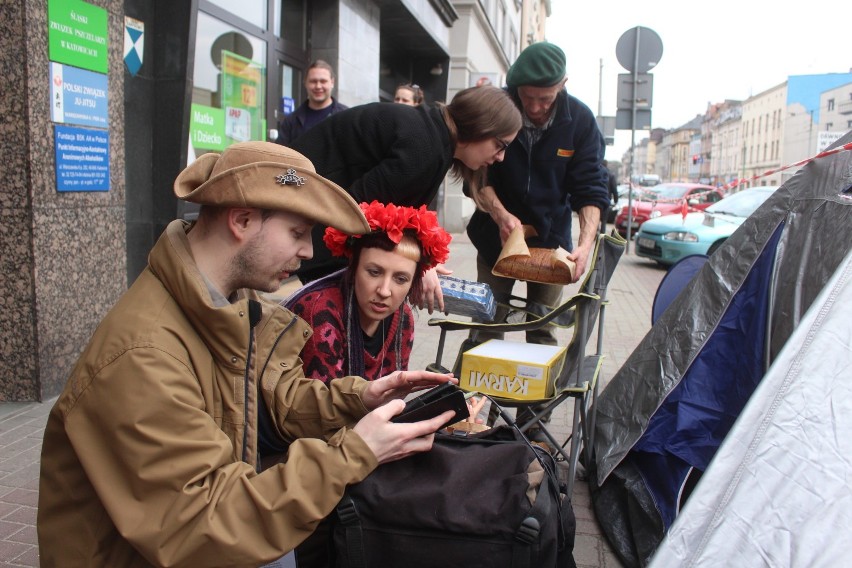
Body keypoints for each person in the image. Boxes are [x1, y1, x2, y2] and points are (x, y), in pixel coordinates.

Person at [36, 141, 457, 567]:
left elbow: (279, 397)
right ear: (241, 220)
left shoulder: (223, 303)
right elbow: (206, 523)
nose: (309, 251)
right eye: (297, 233)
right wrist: (355, 452)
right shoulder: (144, 355)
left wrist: (361, 397)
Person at [289, 84, 523, 312]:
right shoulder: (424, 147)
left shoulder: (432, 135)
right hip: (300, 210)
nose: (501, 157)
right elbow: (358, 212)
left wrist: (421, 259)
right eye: (500, 145)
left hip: (309, 211)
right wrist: (420, 263)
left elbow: (392, 211)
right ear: (479, 126)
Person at [465, 42, 609, 347]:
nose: (533, 107)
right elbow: (476, 172)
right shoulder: (499, 107)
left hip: (551, 241)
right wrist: (501, 215)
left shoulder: (581, 122)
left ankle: (537, 394)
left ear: (563, 85)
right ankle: (477, 393)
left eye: (544, 98)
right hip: (495, 236)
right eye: (526, 96)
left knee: (543, 326)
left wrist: (584, 245)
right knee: (486, 323)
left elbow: (591, 188)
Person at [287, 201, 452, 384]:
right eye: (374, 272)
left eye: (401, 279)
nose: (384, 291)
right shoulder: (320, 311)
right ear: (354, 268)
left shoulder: (403, 318)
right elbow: (322, 405)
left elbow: (393, 395)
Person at [277, 60, 348, 145]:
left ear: (332, 83)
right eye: (313, 81)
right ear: (305, 83)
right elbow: (280, 153)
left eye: (323, 81)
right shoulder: (291, 121)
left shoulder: (345, 117)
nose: (318, 86)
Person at [602, 159, 619, 233]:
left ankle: (593, 235)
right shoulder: (611, 175)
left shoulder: (596, 173)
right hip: (606, 199)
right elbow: (614, 189)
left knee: (594, 217)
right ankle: (601, 237)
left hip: (596, 198)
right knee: (604, 220)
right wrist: (616, 200)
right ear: (607, 165)